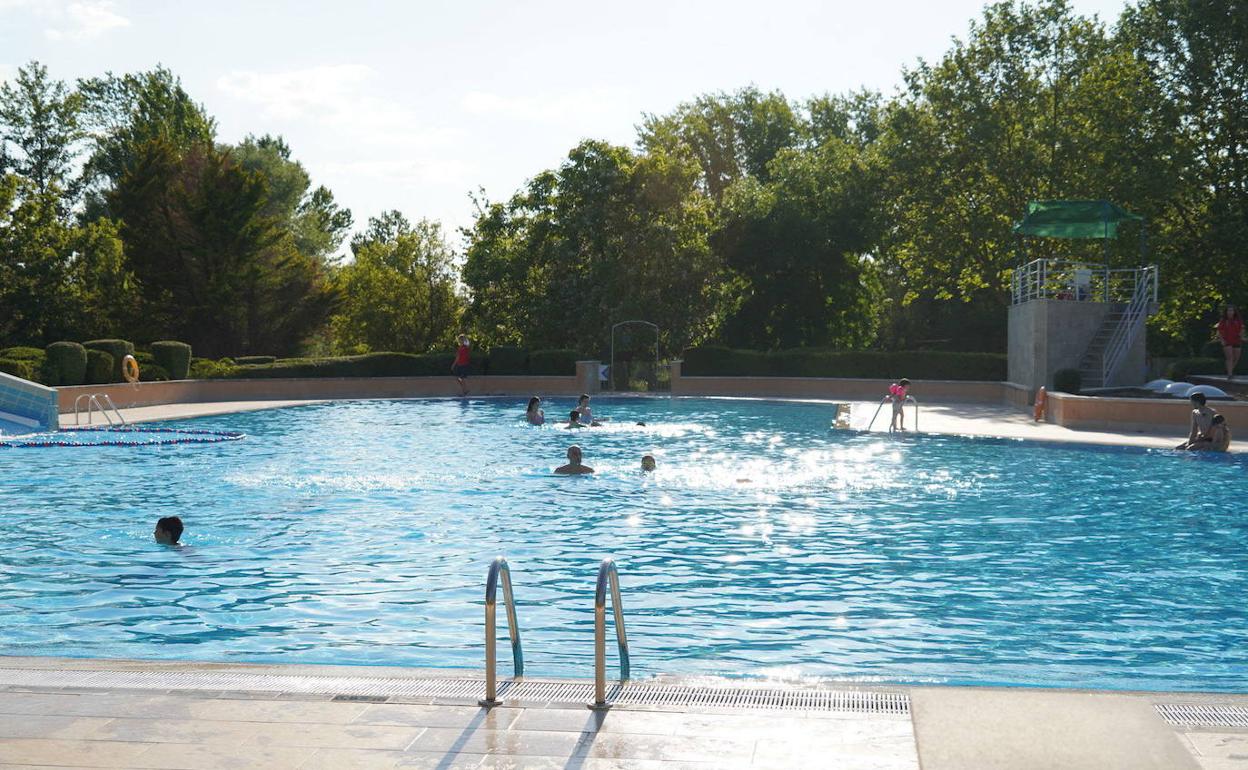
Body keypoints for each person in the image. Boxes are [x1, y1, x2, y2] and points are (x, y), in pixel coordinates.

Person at [1216, 305, 1244, 381]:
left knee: (1236, 358)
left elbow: (1242, 328)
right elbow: (1219, 331)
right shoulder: (1223, 320)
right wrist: (1222, 340)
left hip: (1236, 340)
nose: (1230, 312)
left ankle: (1229, 370)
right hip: (1227, 340)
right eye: (1229, 310)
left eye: (1232, 310)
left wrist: (1241, 336)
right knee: (1230, 357)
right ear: (1226, 312)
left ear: (1234, 312)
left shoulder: (1238, 320)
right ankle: (1230, 374)